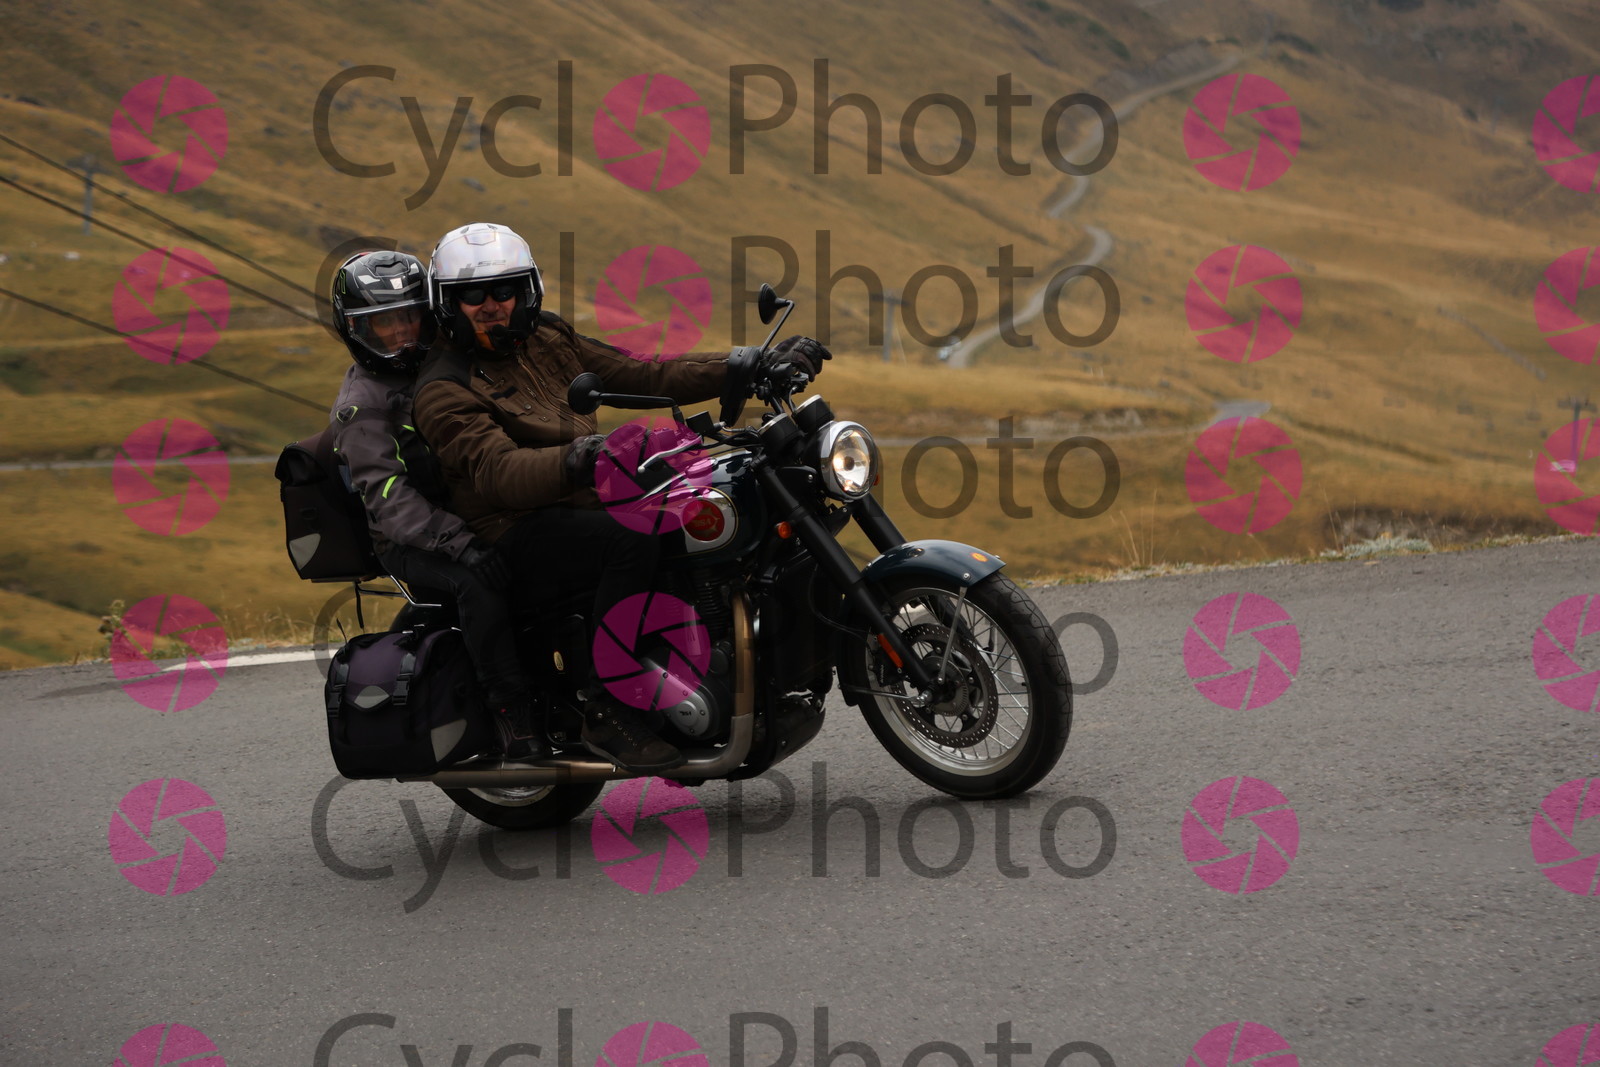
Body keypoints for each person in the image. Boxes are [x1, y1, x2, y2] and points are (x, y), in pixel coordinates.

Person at [412, 222, 830, 773]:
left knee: (701, 497)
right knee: (631, 541)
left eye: (504, 289)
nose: (491, 305)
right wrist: (578, 458)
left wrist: (746, 364)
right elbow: (498, 473)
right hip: (511, 527)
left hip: (581, 496)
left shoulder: (548, 338)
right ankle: (607, 706)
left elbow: (641, 373)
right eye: (473, 295)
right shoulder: (443, 389)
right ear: (448, 304)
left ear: (526, 290)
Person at [326, 248, 548, 762]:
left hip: (470, 513)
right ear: (355, 330)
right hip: (412, 540)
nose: (401, 334)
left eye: (410, 318)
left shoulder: (446, 363)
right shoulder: (362, 406)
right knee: (479, 584)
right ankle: (510, 713)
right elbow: (389, 498)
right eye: (383, 324)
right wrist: (460, 543)